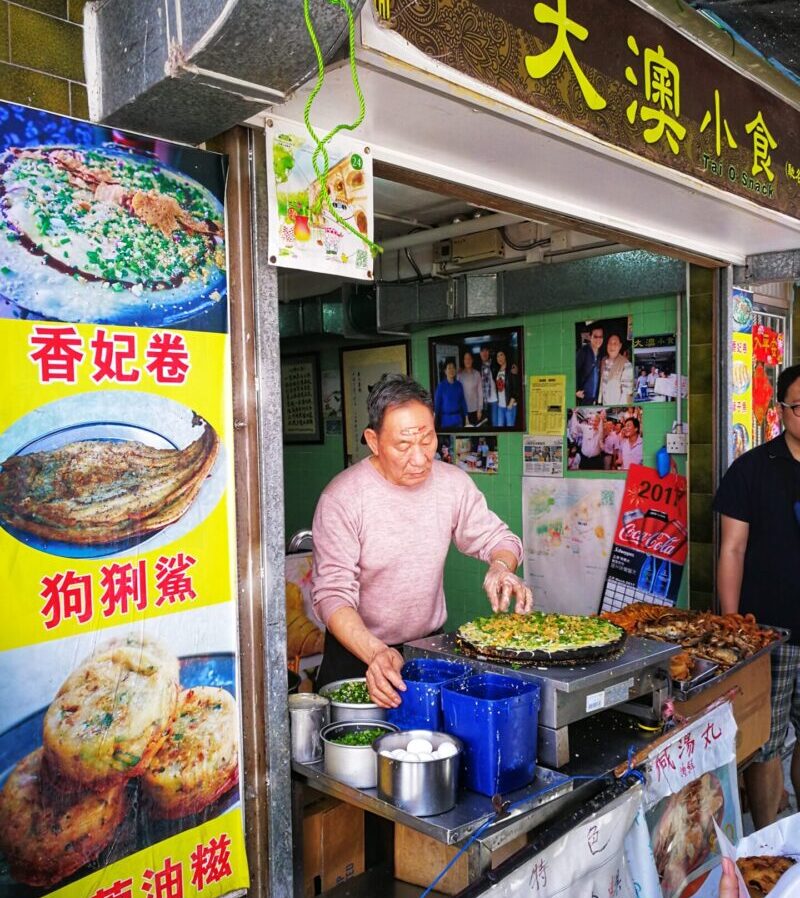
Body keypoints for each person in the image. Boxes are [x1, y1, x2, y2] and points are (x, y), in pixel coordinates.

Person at [311, 374, 533, 707]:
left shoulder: (452, 484)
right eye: (403, 445)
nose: (420, 458)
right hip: (358, 653)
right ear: (373, 441)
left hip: (427, 650)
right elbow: (331, 595)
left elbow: (499, 538)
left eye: (427, 439)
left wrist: (502, 566)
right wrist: (376, 654)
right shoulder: (342, 498)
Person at [714, 363, 800, 830]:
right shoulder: (750, 471)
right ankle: (766, 843)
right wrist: (734, 632)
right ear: (780, 410)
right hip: (768, 634)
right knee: (766, 741)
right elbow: (732, 549)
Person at [597, 333, 634, 405]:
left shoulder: (626, 365)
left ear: (620, 346)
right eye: (609, 343)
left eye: (615, 343)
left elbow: (626, 393)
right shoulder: (604, 360)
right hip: (604, 403)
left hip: (616, 404)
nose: (612, 346)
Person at [434, 360, 468, 429]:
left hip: (458, 419)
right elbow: (437, 405)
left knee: (459, 440)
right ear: (445, 371)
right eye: (449, 368)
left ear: (455, 370)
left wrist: (467, 418)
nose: (451, 370)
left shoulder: (459, 385)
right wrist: (433, 420)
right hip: (445, 420)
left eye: (453, 368)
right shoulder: (441, 386)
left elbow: (463, 402)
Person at [575, 324, 604, 405]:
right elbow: (574, 370)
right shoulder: (583, 351)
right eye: (595, 336)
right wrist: (576, 390)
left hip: (595, 398)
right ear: (590, 336)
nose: (598, 339)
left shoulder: (601, 354)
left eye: (600, 336)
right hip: (583, 397)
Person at [494, 350, 519, 427]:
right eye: (498, 356)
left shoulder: (511, 369)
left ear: (505, 356)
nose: (499, 358)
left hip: (510, 406)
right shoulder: (497, 371)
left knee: (510, 431)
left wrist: (510, 404)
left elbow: (516, 388)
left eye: (501, 355)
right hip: (500, 406)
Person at [458, 351, 483, 424]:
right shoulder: (460, 375)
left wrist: (480, 409)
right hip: (463, 410)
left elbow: (480, 393)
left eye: (469, 358)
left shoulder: (477, 374)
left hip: (475, 409)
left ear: (472, 360)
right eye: (466, 358)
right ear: (463, 361)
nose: (467, 360)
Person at [479, 345, 498, 424]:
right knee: (486, 423)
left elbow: (504, 366)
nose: (484, 353)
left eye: (486, 351)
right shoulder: (478, 366)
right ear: (480, 353)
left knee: (495, 423)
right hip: (484, 400)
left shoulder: (495, 364)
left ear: (489, 353)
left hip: (494, 400)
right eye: (482, 351)